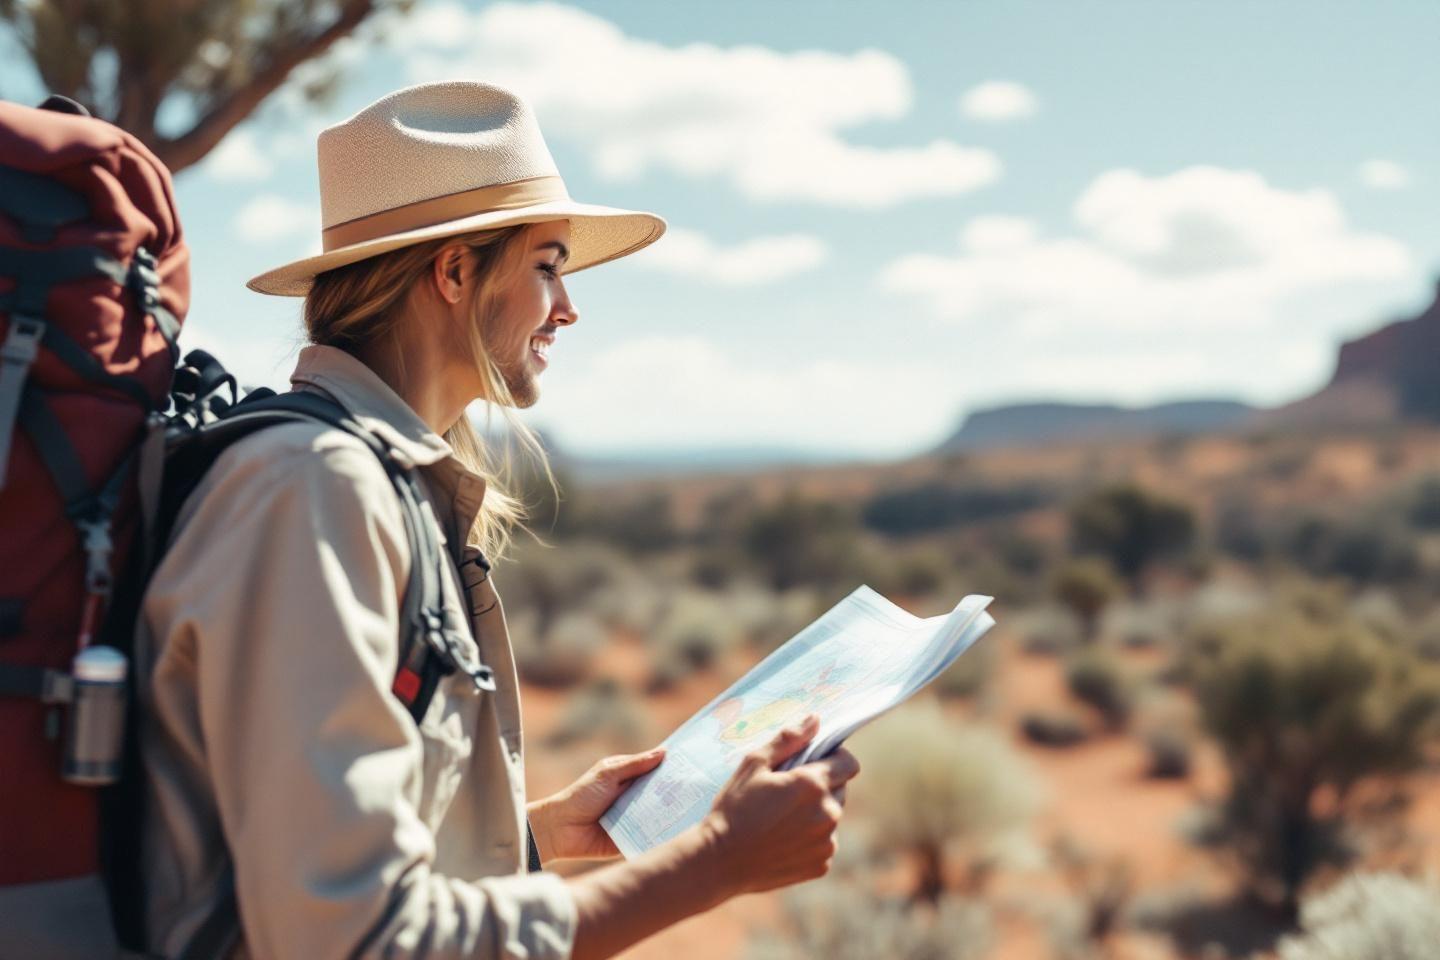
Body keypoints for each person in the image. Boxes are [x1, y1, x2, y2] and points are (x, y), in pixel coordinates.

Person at [132, 80, 860, 959]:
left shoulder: (365, 479)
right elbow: (354, 938)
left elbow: (313, 855)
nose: (568, 306)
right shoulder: (317, 489)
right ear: (453, 273)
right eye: (548, 264)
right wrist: (713, 862)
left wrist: (545, 833)